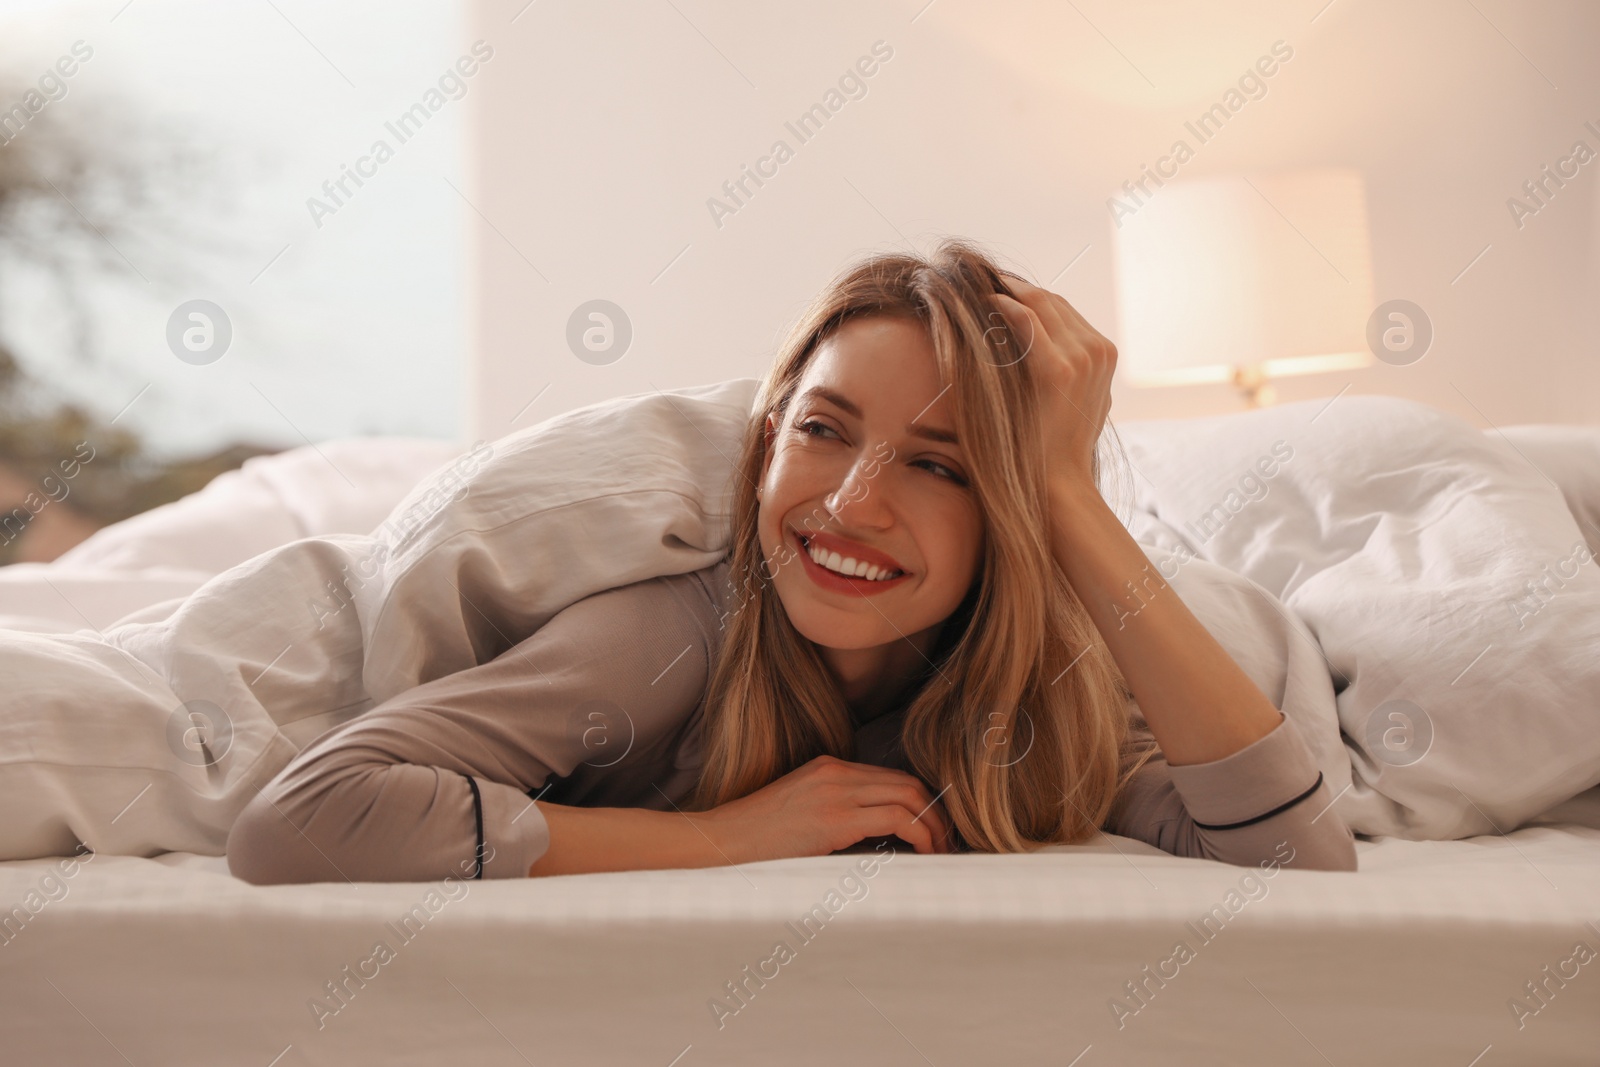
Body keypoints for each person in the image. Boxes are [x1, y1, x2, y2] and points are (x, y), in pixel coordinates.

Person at [225, 240, 1357, 885]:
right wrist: (723, 837)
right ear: (766, 447)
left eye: (942, 465)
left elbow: (1295, 857)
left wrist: (1064, 491)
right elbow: (300, 815)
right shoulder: (673, 636)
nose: (852, 505)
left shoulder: (1037, 695)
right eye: (824, 431)